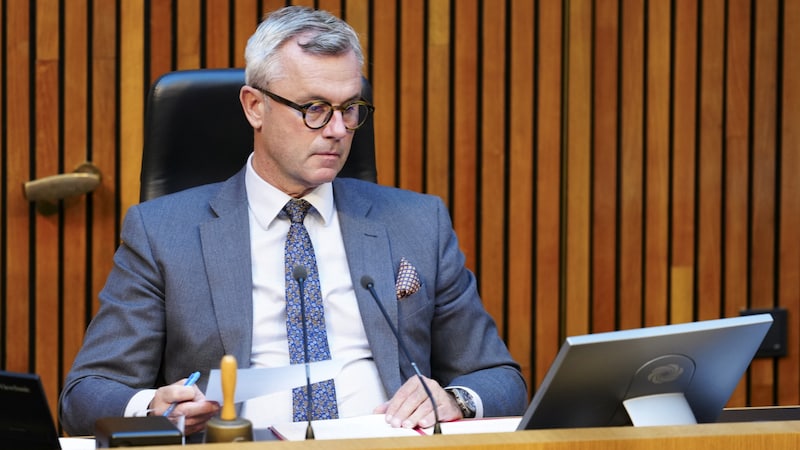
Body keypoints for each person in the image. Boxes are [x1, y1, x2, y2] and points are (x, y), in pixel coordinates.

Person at [59, 5, 527, 441]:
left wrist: (456, 400)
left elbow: (502, 379)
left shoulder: (417, 222)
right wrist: (151, 406)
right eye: (314, 109)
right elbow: (85, 393)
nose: (338, 130)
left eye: (349, 108)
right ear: (254, 106)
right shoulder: (163, 233)